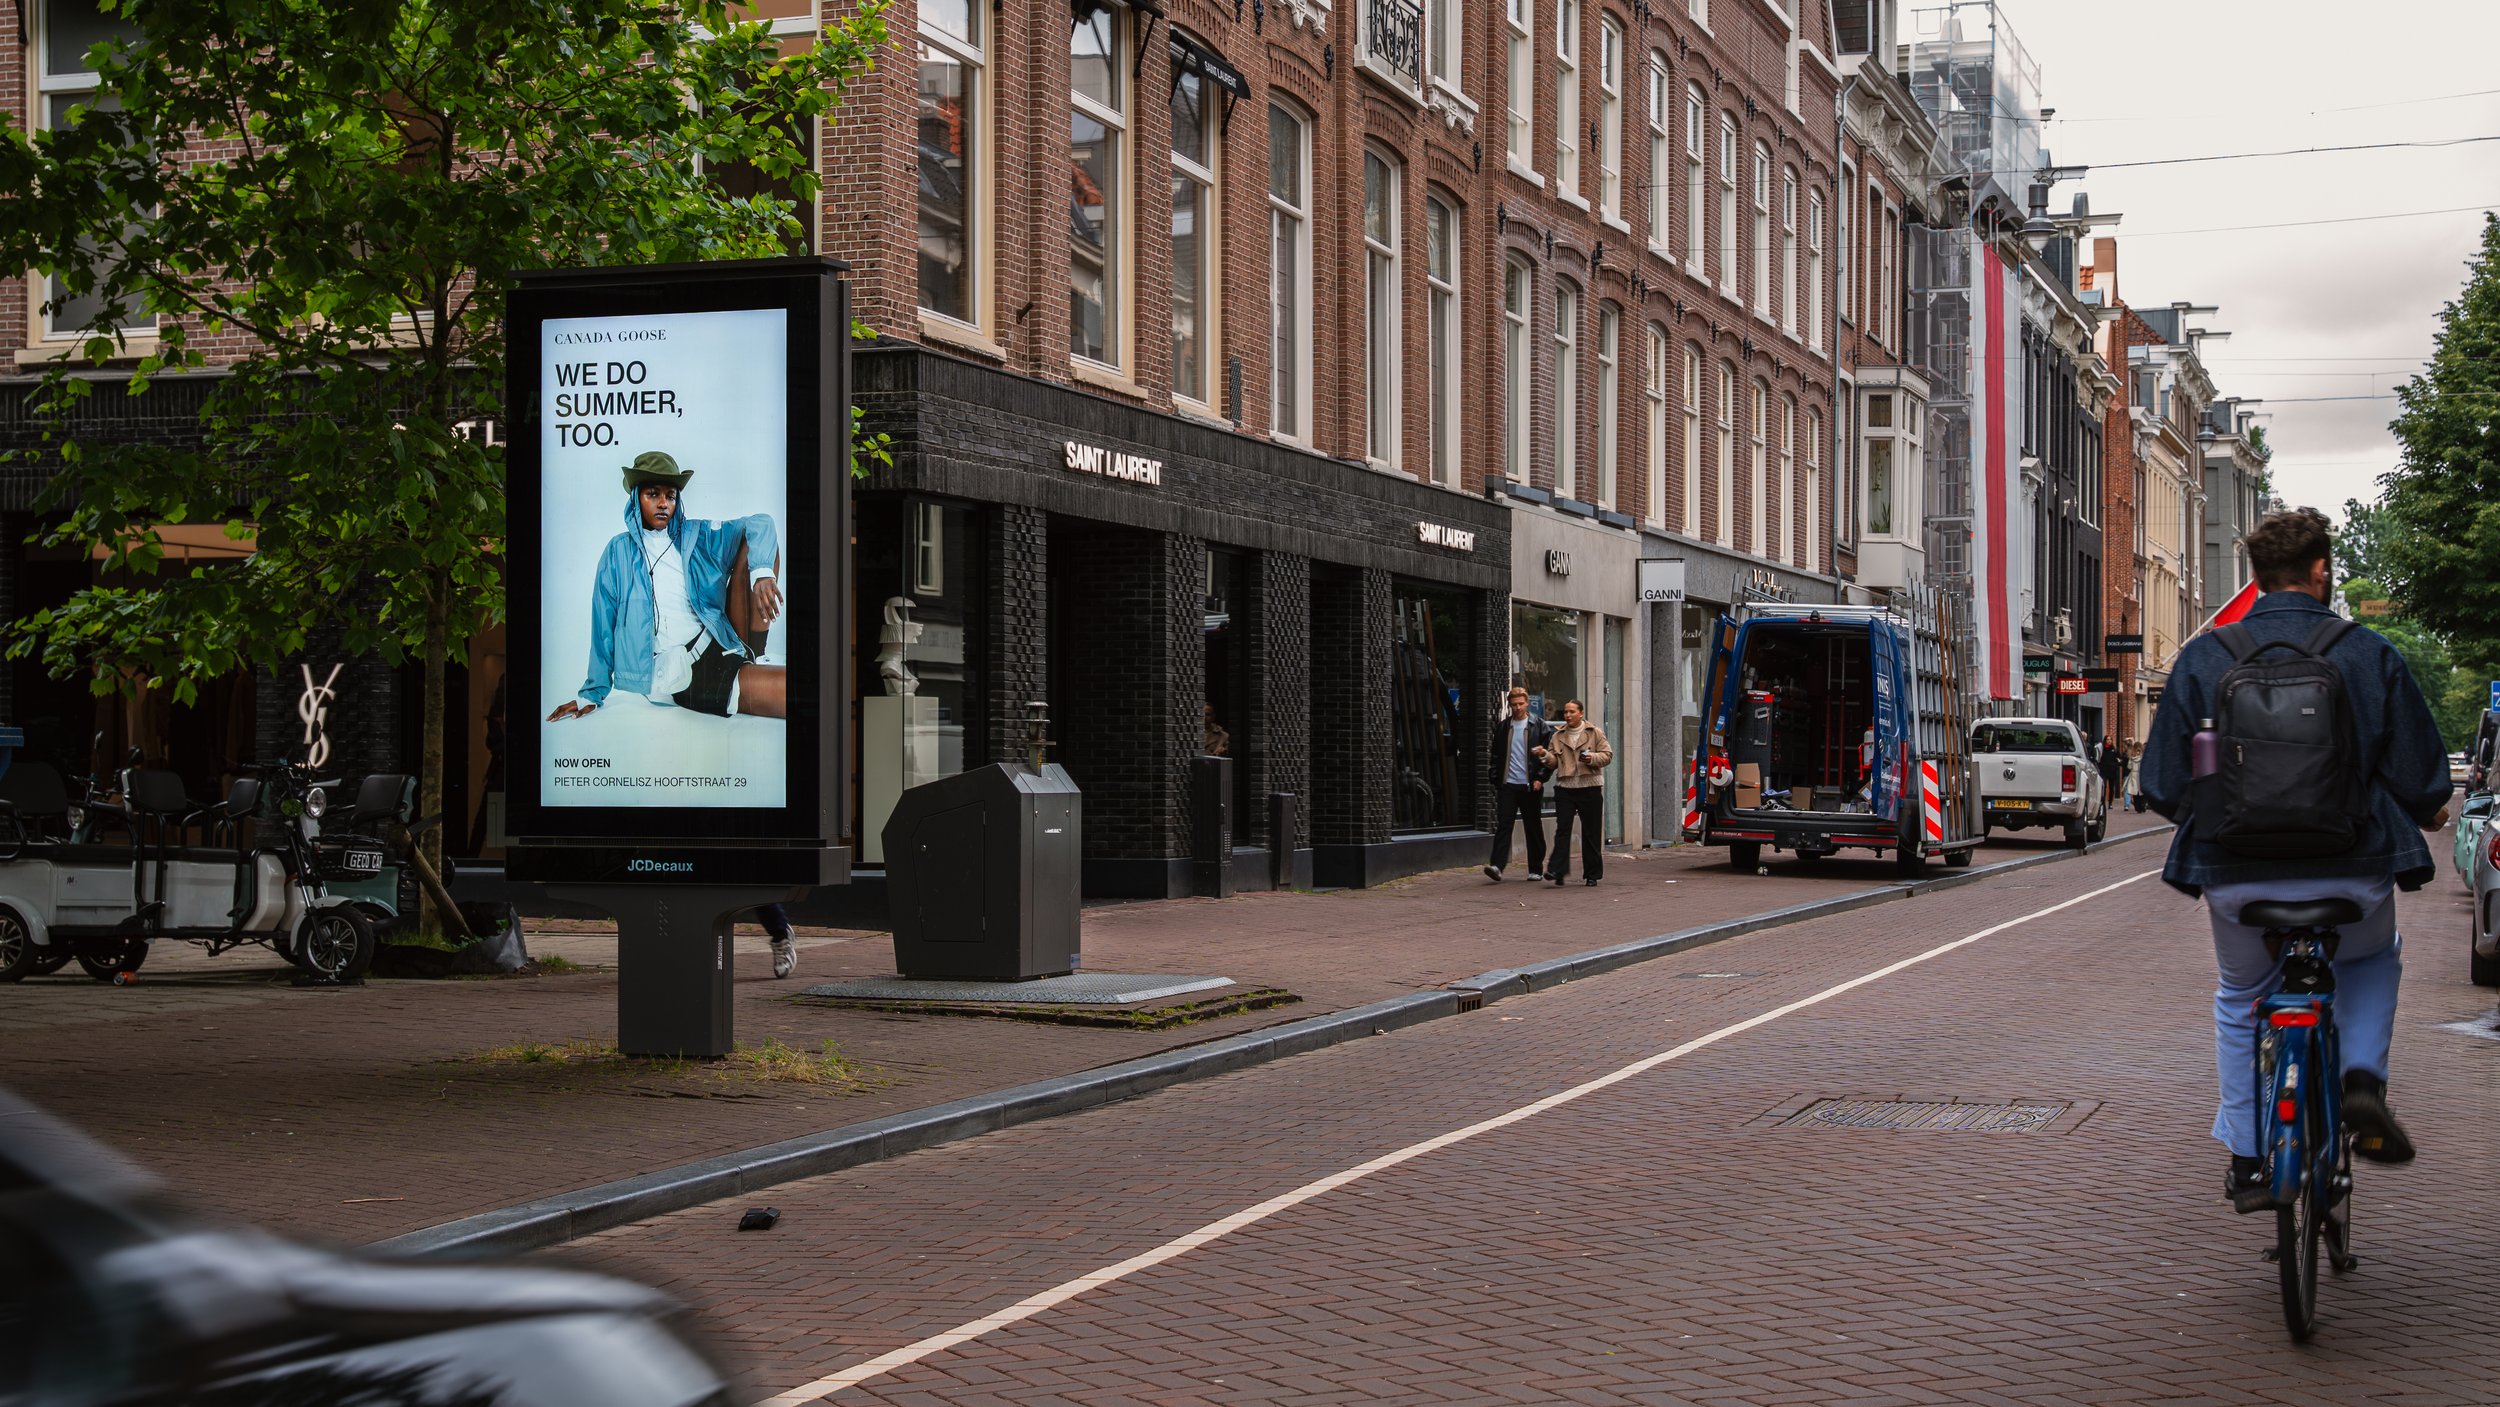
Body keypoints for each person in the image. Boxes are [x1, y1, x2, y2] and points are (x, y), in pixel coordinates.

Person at [2140, 507, 2450, 1213]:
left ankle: (2250, 1158)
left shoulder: (2206, 656)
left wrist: (2220, 817)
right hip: (2352, 870)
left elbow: (2161, 785)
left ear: (2256, 576)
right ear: (2320, 571)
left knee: (2241, 996)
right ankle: (2363, 1082)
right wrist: (2426, 808)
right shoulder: (2368, 652)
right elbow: (2423, 777)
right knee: (2372, 958)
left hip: (2239, 879)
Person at [547, 451, 787, 725]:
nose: (663, 503)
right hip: (689, 672)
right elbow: (603, 623)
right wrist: (591, 693)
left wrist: (763, 574)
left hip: (721, 642)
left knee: (756, 545)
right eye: (653, 494)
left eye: (670, 496)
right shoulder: (618, 552)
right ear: (636, 497)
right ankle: (747, 669)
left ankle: (755, 654)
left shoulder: (697, 536)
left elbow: (760, 523)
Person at [1483, 688, 1553, 882]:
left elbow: (1549, 757)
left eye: (1521, 703)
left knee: (1533, 826)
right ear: (1510, 704)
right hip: (1508, 784)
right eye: (1514, 704)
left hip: (1530, 785)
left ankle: (1536, 868)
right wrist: (1496, 777)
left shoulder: (1540, 727)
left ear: (1527, 703)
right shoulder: (1504, 727)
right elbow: (1496, 755)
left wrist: (1540, 778)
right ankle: (1497, 865)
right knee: (1504, 824)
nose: (1517, 707)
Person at [1541, 699, 1614, 886]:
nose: (1568, 715)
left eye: (1572, 711)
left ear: (1581, 713)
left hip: (1590, 787)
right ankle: (1557, 870)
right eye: (1565, 712)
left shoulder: (1594, 732)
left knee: (1591, 832)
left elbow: (1607, 755)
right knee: (1562, 830)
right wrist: (1544, 756)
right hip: (1565, 788)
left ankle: (1592, 875)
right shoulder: (1557, 735)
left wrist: (1591, 757)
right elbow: (1554, 762)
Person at [2096, 732, 2126, 807]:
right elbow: (2098, 758)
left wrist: (2117, 764)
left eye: (2110, 739)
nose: (2109, 741)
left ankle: (2110, 803)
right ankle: (2102, 802)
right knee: (2104, 786)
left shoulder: (2114, 749)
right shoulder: (2102, 749)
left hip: (2112, 771)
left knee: (2111, 787)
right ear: (2105, 740)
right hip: (2103, 770)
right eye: (2107, 739)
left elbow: (2120, 759)